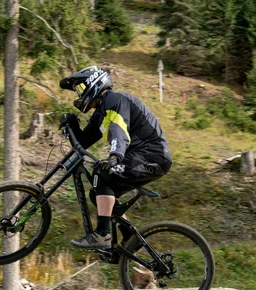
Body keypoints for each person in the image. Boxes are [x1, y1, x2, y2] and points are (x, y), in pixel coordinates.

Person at [59, 66, 172, 249]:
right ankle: (129, 236)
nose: (79, 95)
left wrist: (115, 157)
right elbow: (83, 143)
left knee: (102, 174)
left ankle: (103, 234)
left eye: (80, 89)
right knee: (97, 193)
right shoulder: (100, 114)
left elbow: (119, 132)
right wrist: (71, 126)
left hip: (153, 155)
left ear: (93, 84)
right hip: (140, 156)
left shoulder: (115, 100)